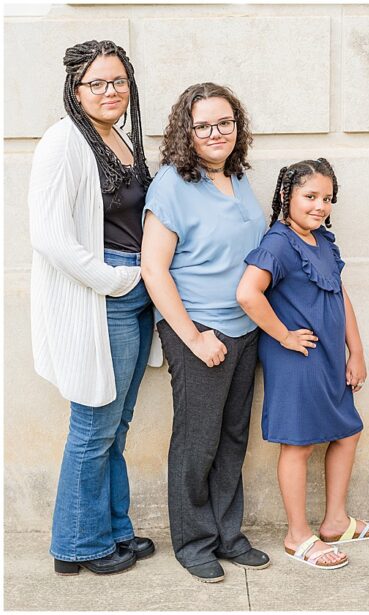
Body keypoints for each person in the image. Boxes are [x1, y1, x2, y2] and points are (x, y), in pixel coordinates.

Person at [30, 39, 155, 576]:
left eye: (119, 81)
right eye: (97, 83)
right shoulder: (63, 142)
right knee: (94, 425)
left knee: (116, 425)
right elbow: (51, 237)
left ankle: (112, 531)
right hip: (106, 296)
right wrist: (117, 281)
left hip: (135, 289)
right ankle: (78, 546)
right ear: (75, 90)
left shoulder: (120, 139)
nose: (111, 92)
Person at [140, 82, 269, 582]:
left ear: (238, 128)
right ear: (185, 132)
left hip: (244, 328)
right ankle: (193, 543)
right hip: (199, 330)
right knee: (198, 442)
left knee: (234, 438)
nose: (216, 133)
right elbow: (155, 269)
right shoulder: (172, 184)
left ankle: (228, 536)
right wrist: (194, 337)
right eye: (204, 126)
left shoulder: (236, 178)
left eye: (225, 123)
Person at [236, 158, 369, 570]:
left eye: (327, 198)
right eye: (310, 196)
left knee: (347, 431)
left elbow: (339, 294)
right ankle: (297, 534)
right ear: (287, 196)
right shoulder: (279, 242)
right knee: (298, 444)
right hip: (297, 360)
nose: (320, 206)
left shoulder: (323, 241)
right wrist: (283, 335)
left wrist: (358, 351)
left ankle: (335, 520)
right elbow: (248, 294)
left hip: (331, 359)